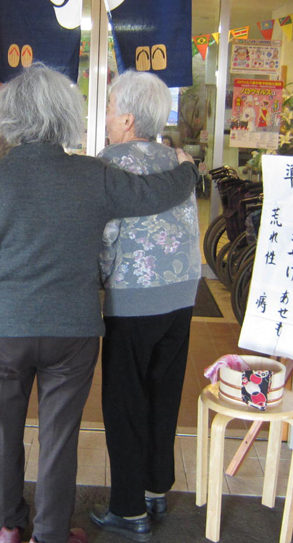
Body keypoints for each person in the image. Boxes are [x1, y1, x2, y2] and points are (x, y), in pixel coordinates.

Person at [0, 65, 199, 543]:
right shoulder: (93, 174)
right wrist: (187, 168)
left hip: (1, 328)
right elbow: (155, 193)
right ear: (67, 117)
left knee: (2, 433)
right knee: (59, 439)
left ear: (9, 119)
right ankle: (51, 533)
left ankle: (6, 526)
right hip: (73, 333)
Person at [90, 71, 202, 542]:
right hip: (181, 295)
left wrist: (94, 278)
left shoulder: (110, 163)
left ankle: (129, 508)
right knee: (164, 392)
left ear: (129, 118)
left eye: (112, 109)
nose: (108, 118)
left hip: (132, 299)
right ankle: (157, 487)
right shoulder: (179, 161)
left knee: (125, 401)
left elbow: (104, 236)